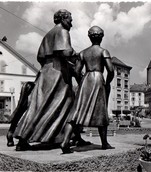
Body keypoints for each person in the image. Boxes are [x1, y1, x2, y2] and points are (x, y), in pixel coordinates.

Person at [13, 9, 87, 151]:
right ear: (63, 19)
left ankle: (24, 139)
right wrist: (78, 55)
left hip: (45, 72)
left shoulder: (48, 34)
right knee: (70, 104)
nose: (72, 22)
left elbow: (40, 57)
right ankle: (71, 137)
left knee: (38, 106)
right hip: (58, 73)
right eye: (70, 19)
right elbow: (66, 52)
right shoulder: (62, 32)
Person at [60, 26, 115, 154]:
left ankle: (65, 141)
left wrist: (82, 83)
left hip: (86, 80)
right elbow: (111, 70)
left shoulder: (83, 53)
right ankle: (104, 143)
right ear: (101, 37)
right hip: (97, 79)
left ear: (89, 37)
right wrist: (107, 83)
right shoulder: (103, 51)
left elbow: (77, 71)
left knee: (76, 113)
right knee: (101, 112)